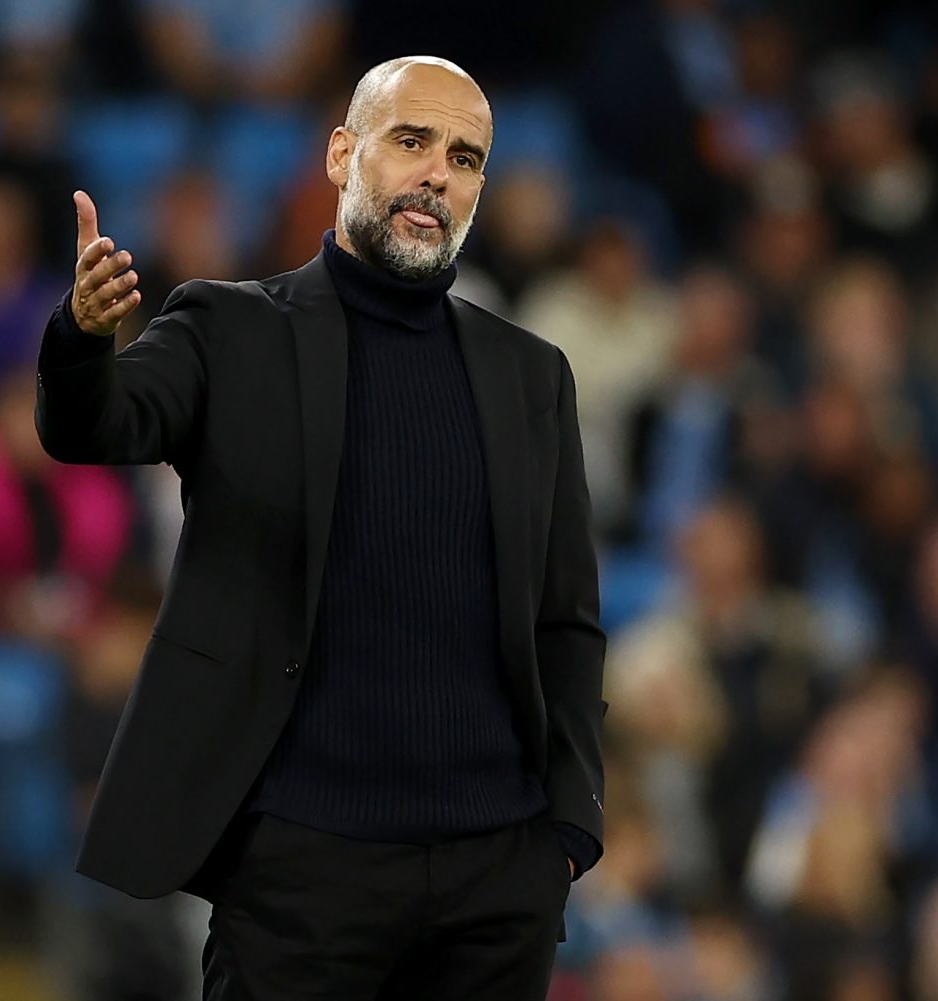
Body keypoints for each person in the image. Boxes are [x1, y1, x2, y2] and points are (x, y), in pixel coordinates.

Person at [36, 55, 607, 998]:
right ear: (343, 154)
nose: (437, 174)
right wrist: (83, 336)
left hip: (497, 878)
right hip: (301, 869)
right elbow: (96, 425)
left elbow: (566, 617)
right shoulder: (228, 328)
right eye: (412, 141)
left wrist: (568, 830)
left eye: (465, 157)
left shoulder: (531, 373)